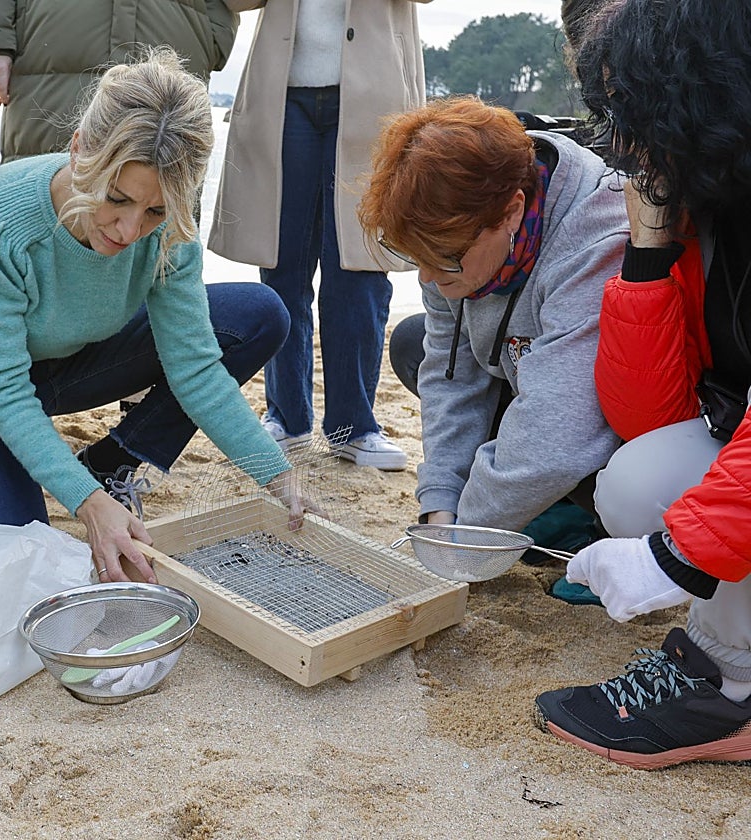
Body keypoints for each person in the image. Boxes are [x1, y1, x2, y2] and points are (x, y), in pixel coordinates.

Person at [0, 48, 309, 583]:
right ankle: (87, 483)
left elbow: (195, 368)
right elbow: (3, 388)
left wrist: (278, 477)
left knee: (258, 313)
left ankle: (112, 459)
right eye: (116, 199)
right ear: (78, 151)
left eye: (154, 210)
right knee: (13, 560)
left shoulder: (170, 224)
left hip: (76, 357)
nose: (129, 230)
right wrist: (89, 504)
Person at [533, 0, 751, 769]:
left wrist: (675, 560)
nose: (621, 145)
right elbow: (649, 417)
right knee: (636, 484)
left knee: (678, 525)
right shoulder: (711, 192)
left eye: (633, 105)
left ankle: (725, 687)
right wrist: (650, 252)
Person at [358, 96, 625, 538]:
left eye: (444, 257)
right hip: (531, 381)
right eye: (415, 256)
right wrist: (440, 502)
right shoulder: (444, 236)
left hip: (612, 423)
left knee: (609, 478)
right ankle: (533, 501)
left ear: (512, 211)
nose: (427, 275)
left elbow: (560, 431)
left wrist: (464, 539)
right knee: (411, 343)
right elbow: (451, 378)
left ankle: (584, 516)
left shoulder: (594, 239)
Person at [208, 0, 427, 470]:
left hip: (375, 96)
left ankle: (355, 428)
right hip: (282, 94)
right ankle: (286, 418)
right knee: (282, 264)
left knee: (360, 266)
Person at [0, 0, 238, 163]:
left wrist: (214, 36)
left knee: (160, 208)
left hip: (173, 39)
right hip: (50, 44)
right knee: (44, 187)